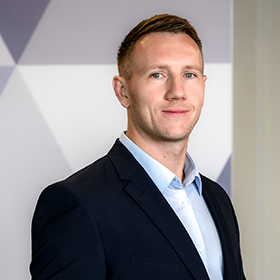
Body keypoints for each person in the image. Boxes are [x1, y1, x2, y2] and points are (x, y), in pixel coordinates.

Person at [30, 14, 246, 280]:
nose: (177, 91)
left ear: (203, 86)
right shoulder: (78, 204)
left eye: (189, 74)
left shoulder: (217, 199)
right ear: (123, 92)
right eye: (157, 74)